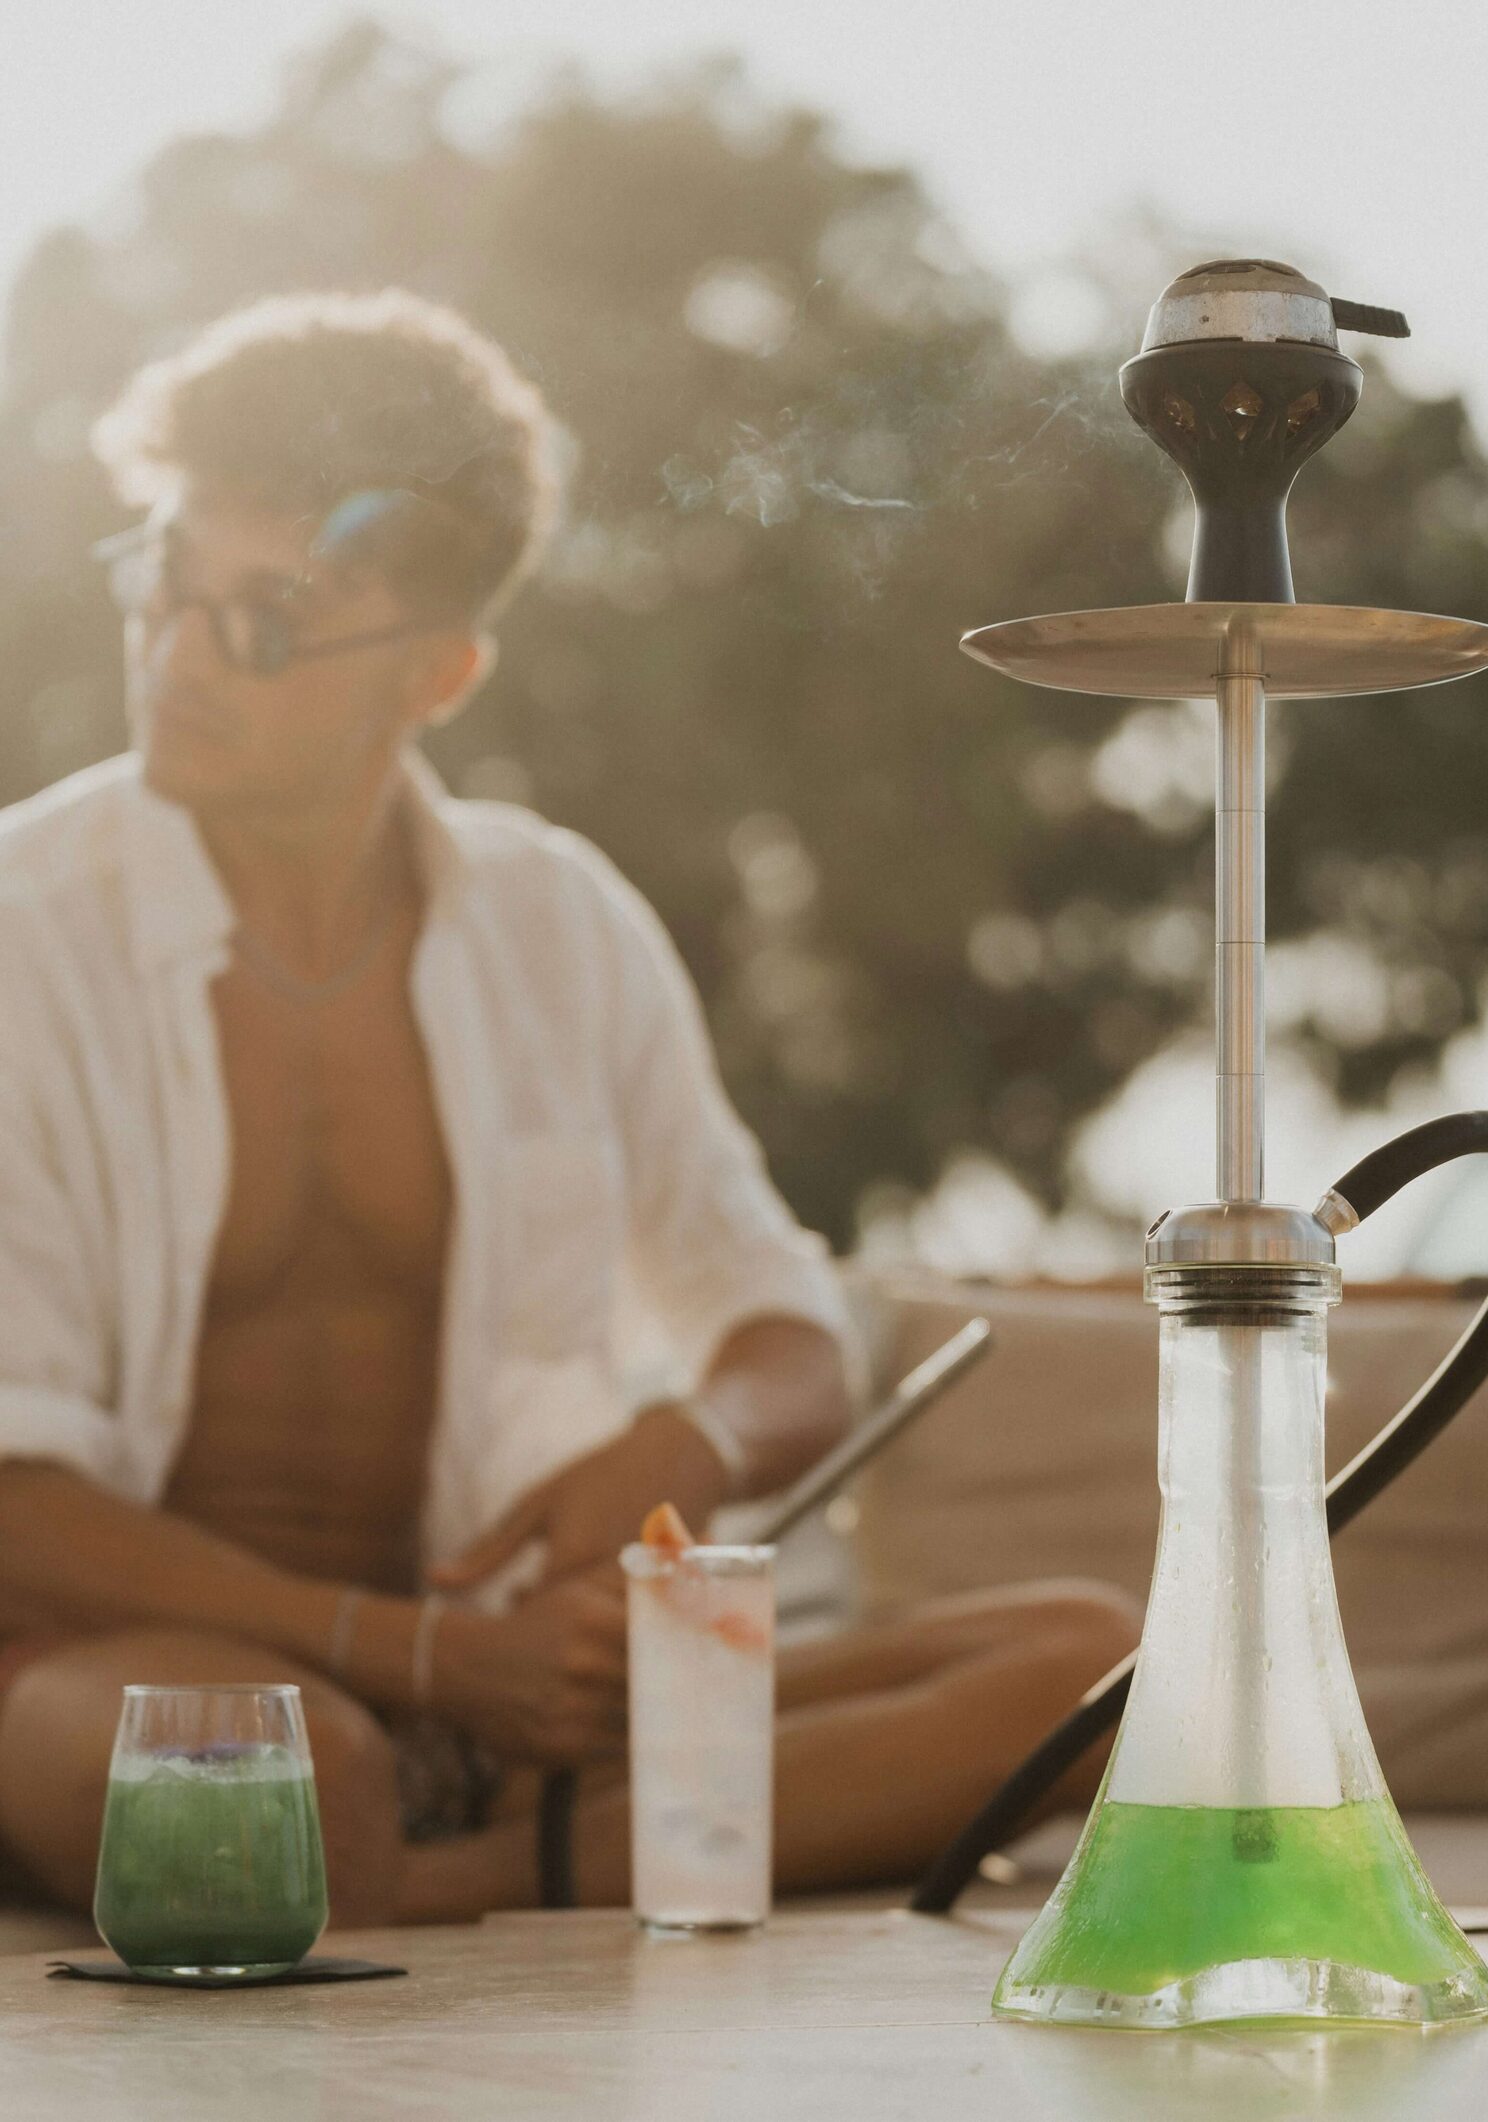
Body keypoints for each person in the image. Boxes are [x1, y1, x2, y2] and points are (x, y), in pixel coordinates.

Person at [0, 290, 1135, 1924]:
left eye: (262, 618)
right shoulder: (31, 930)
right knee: (287, 1774)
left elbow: (785, 1333)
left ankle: (442, 1878)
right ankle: (500, 1864)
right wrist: (425, 1654)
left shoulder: (560, 922)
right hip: (102, 1674)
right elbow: (19, 1510)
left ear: (439, 670)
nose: (176, 653)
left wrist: (689, 1436)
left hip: (505, 1704)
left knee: (1092, 1661)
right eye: (162, 580)